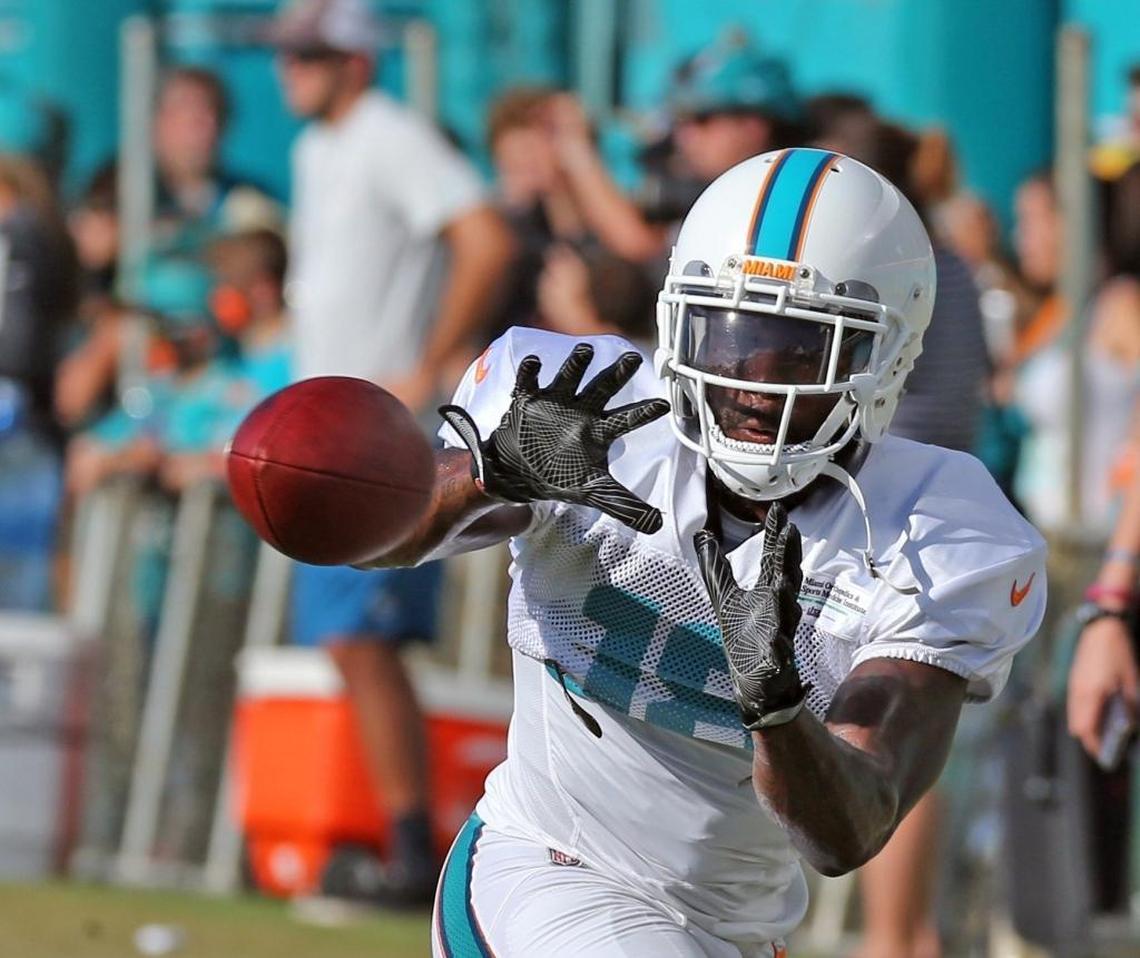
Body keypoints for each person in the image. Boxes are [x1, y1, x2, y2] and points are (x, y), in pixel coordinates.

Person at [356, 148, 1046, 955]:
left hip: (736, 930)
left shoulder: (940, 532)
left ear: (881, 357)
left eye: (799, 349)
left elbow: (846, 834)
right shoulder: (590, 406)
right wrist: (487, 473)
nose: (754, 384)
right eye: (729, 338)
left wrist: (779, 712)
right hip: (547, 868)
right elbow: (376, 539)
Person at [268, 0, 514, 905]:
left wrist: (425, 364)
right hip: (332, 432)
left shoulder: (387, 135)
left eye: (308, 53)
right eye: (289, 53)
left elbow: (483, 234)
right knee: (353, 643)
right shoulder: (320, 148)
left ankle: (419, 849)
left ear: (356, 61)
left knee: (365, 642)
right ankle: (407, 840)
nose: (288, 68)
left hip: (374, 438)